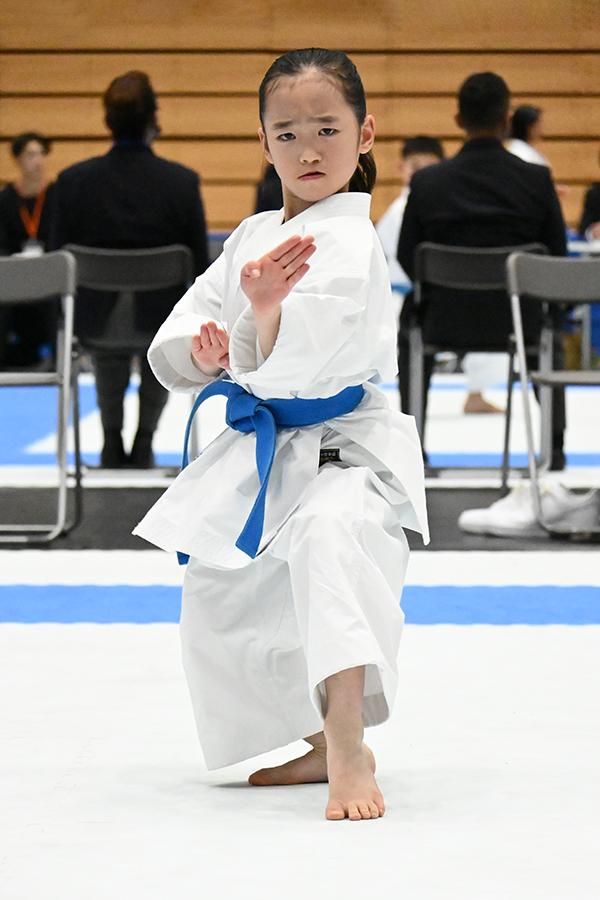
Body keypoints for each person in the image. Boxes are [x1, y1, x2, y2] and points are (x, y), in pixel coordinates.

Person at [133, 48, 429, 821]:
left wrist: (260, 321)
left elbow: (311, 360)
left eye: (327, 129)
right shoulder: (255, 232)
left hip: (344, 450)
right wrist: (206, 353)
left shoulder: (354, 240)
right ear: (263, 142)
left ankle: (349, 746)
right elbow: (195, 318)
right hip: (267, 450)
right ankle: (316, 739)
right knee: (220, 587)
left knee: (329, 544)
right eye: (287, 133)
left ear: (365, 134)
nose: (308, 150)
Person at [397, 71, 568, 470]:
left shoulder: (428, 183)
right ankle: (555, 447)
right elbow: (556, 257)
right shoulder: (536, 179)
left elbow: (408, 256)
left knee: (410, 321)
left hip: (443, 319)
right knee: (551, 324)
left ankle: (411, 448)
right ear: (507, 119)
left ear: (458, 120)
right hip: (520, 319)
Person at [50, 71, 210, 468]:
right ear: (154, 119)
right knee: (160, 337)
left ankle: (110, 443)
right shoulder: (181, 183)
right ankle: (144, 443)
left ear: (107, 121)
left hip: (93, 323)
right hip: (161, 320)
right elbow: (200, 267)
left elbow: (55, 261)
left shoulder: (71, 183)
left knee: (110, 342)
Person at [0, 133, 56, 367]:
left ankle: (58, 357)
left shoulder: (56, 196)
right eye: (31, 155)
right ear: (18, 159)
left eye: (41, 154)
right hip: (14, 274)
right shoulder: (5, 199)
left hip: (50, 273)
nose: (37, 161)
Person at [376, 136, 444, 297]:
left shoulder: (441, 207)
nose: (422, 176)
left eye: (430, 169)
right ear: (401, 168)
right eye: (415, 168)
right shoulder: (398, 212)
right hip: (400, 296)